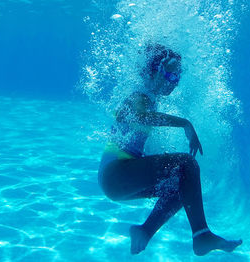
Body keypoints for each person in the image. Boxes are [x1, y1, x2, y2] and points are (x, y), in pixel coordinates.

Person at [97, 44, 242, 256]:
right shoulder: (140, 96)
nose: (175, 82)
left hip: (116, 179)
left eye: (177, 77)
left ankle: (145, 231)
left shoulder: (148, 99)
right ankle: (201, 236)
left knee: (182, 185)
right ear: (153, 71)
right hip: (116, 173)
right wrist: (185, 123)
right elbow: (140, 116)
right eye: (170, 75)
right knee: (187, 164)